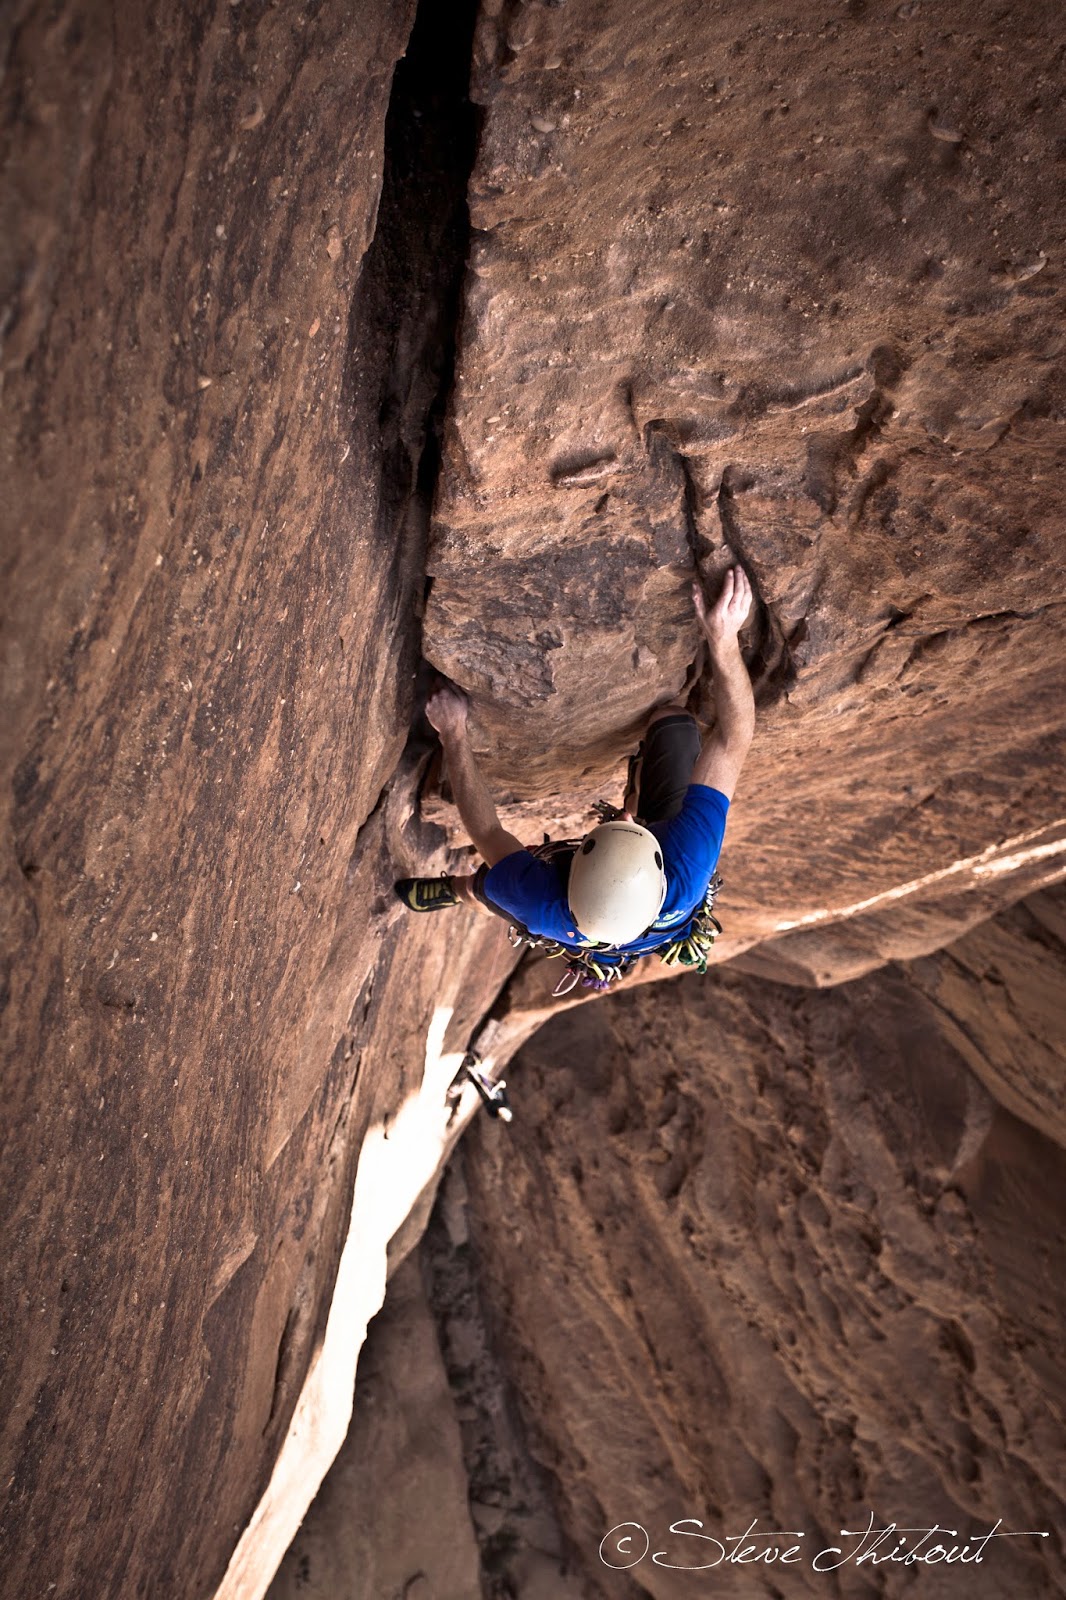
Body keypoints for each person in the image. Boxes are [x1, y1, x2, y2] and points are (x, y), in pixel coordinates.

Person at [396, 566, 755, 970]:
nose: (623, 814)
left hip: (607, 915)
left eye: (622, 822)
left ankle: (455, 890)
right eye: (629, 822)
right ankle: (643, 790)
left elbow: (488, 832)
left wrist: (454, 733)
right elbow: (732, 739)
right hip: (659, 888)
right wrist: (724, 642)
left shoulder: (542, 904)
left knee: (488, 888)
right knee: (671, 722)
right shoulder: (689, 860)